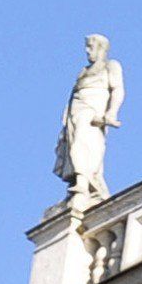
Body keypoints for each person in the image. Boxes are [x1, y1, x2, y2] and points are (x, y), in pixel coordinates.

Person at [54, 35, 123, 211]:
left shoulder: (111, 66)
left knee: (83, 143)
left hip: (93, 112)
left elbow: (117, 90)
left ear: (101, 48)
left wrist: (111, 113)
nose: (87, 50)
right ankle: (79, 183)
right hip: (76, 112)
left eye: (90, 47)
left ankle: (84, 184)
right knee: (72, 146)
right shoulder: (83, 71)